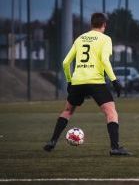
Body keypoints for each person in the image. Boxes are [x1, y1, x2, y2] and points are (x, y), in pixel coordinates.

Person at [43, 13, 131, 156]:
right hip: (95, 81)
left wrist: (70, 81)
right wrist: (114, 80)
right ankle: (115, 148)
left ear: (91, 24)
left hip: (78, 81)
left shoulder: (80, 38)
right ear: (104, 25)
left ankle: (52, 141)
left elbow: (65, 62)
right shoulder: (105, 39)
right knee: (111, 112)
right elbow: (104, 60)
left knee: (67, 111)